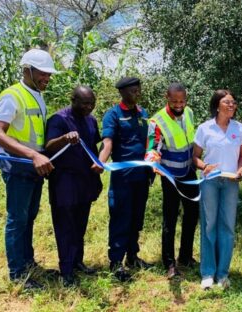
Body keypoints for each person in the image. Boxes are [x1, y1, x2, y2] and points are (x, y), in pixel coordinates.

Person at [0, 49, 58, 289]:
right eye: (43, 73)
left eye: (49, 74)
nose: (47, 78)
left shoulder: (38, 94)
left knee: (29, 217)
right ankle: (17, 274)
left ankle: (28, 263)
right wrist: (32, 155)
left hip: (34, 168)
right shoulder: (12, 95)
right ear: (27, 69)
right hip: (18, 166)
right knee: (17, 219)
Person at [44, 86, 103, 286]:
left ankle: (77, 262)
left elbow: (93, 147)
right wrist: (64, 138)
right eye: (84, 103)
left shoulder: (91, 120)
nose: (88, 107)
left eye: (91, 104)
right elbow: (48, 147)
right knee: (65, 225)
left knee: (80, 223)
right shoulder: (58, 120)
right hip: (64, 181)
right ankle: (66, 271)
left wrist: (98, 171)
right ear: (73, 100)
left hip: (85, 180)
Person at [98, 77, 153, 282]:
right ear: (122, 92)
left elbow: (149, 141)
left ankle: (132, 256)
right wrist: (100, 162)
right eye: (132, 91)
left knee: (136, 218)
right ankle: (115, 263)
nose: (136, 94)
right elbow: (108, 142)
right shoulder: (113, 115)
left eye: (138, 90)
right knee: (121, 218)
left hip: (142, 177)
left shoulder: (143, 113)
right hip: (123, 178)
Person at [192, 89, 242, 290]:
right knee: (209, 225)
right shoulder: (205, 128)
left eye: (233, 102)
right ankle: (208, 273)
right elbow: (195, 156)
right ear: (217, 106)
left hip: (231, 182)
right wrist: (203, 166)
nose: (232, 105)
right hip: (210, 182)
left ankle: (223, 273)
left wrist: (241, 169)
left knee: (227, 227)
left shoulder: (239, 128)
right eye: (227, 102)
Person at [144, 82, 199, 279]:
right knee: (170, 217)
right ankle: (169, 263)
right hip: (170, 177)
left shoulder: (189, 113)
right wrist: (152, 160)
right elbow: (152, 146)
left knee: (193, 213)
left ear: (186, 100)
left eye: (182, 101)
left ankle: (185, 256)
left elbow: (192, 141)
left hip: (189, 173)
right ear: (167, 98)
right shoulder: (157, 121)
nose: (178, 104)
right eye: (174, 101)